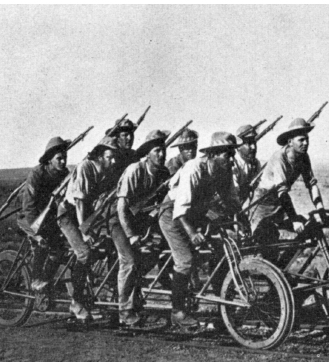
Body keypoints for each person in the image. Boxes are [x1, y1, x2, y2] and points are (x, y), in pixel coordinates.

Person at [158, 132, 240, 332]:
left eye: (232, 154)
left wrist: (241, 225)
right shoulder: (194, 168)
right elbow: (180, 210)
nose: (231, 159)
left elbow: (232, 202)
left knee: (222, 252)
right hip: (173, 214)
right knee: (185, 260)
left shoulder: (224, 170)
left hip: (196, 212)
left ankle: (224, 310)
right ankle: (177, 312)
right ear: (213, 155)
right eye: (226, 155)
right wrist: (193, 233)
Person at [111, 130, 171, 326]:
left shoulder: (163, 173)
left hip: (141, 220)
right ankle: (125, 311)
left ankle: (134, 298)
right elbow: (121, 207)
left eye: (163, 150)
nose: (161, 155)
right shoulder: (135, 170)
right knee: (129, 260)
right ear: (148, 153)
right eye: (156, 151)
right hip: (118, 220)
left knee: (153, 253)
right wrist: (131, 235)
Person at [57, 136, 118, 320]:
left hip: (86, 216)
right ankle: (76, 303)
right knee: (84, 252)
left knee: (106, 246)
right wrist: (84, 232)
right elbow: (80, 202)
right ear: (99, 156)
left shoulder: (106, 171)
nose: (113, 161)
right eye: (109, 157)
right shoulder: (86, 167)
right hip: (69, 215)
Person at [249, 118, 324, 245]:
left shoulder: (304, 157)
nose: (306, 143)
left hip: (280, 204)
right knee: (264, 243)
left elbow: (312, 185)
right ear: (290, 142)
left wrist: (321, 209)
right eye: (301, 140)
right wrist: (294, 219)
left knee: (304, 232)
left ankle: (283, 264)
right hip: (262, 204)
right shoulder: (279, 157)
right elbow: (282, 192)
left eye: (307, 139)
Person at [17, 137, 70, 291]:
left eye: (64, 158)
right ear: (49, 160)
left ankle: (46, 281)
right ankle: (36, 279)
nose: (63, 162)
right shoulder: (37, 174)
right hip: (28, 217)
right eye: (59, 159)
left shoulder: (64, 174)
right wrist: (37, 231)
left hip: (48, 219)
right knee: (43, 242)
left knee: (60, 250)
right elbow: (28, 206)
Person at [103, 119, 139, 189]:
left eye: (131, 134)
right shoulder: (111, 155)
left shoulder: (134, 155)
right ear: (117, 138)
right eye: (125, 135)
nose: (129, 138)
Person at [232, 125, 262, 205]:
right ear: (238, 147)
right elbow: (233, 194)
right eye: (248, 143)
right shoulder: (232, 163)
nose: (253, 147)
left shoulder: (255, 163)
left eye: (254, 142)